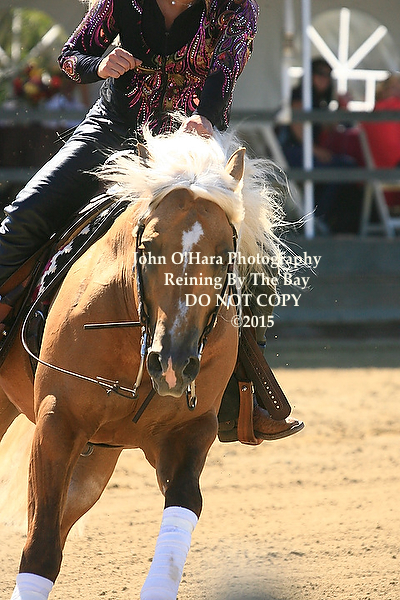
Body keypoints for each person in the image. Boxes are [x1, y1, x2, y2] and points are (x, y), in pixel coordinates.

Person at [0, 0, 302, 442]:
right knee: (23, 216)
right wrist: (99, 64)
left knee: (257, 258)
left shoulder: (235, 7)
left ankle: (245, 392)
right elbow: (71, 56)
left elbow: (225, 70)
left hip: (191, 142)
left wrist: (206, 116)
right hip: (111, 130)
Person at [278, 58, 359, 233]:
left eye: (328, 75)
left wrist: (342, 107)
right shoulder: (300, 95)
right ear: (310, 75)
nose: (324, 78)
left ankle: (320, 217)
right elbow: (297, 126)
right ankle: (318, 217)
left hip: (304, 152)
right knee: (343, 167)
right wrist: (314, 150)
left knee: (346, 166)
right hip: (293, 152)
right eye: (319, 73)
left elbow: (327, 128)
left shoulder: (318, 101)